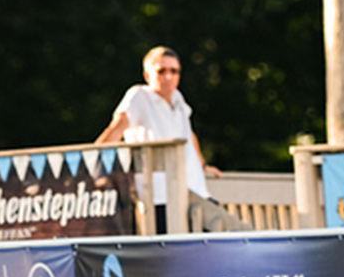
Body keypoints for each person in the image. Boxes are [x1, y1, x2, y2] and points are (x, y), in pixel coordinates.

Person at [95, 46, 249, 233]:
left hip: (195, 191)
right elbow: (117, 127)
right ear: (147, 75)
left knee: (227, 240)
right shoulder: (140, 96)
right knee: (231, 236)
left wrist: (203, 165)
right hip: (162, 197)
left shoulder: (178, 98)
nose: (168, 76)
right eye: (161, 71)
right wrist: (93, 164)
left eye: (174, 71)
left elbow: (189, 135)